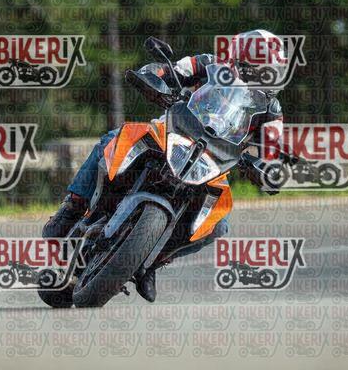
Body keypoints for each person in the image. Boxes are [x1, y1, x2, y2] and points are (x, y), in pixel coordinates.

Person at [43, 30, 286, 302]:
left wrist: (268, 170)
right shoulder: (207, 64)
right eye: (261, 69)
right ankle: (73, 205)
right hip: (171, 132)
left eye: (272, 71)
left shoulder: (271, 110)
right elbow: (167, 70)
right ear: (239, 59)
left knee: (218, 225)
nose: (266, 77)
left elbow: (273, 149)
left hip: (213, 162)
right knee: (114, 138)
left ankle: (150, 261)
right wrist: (153, 77)